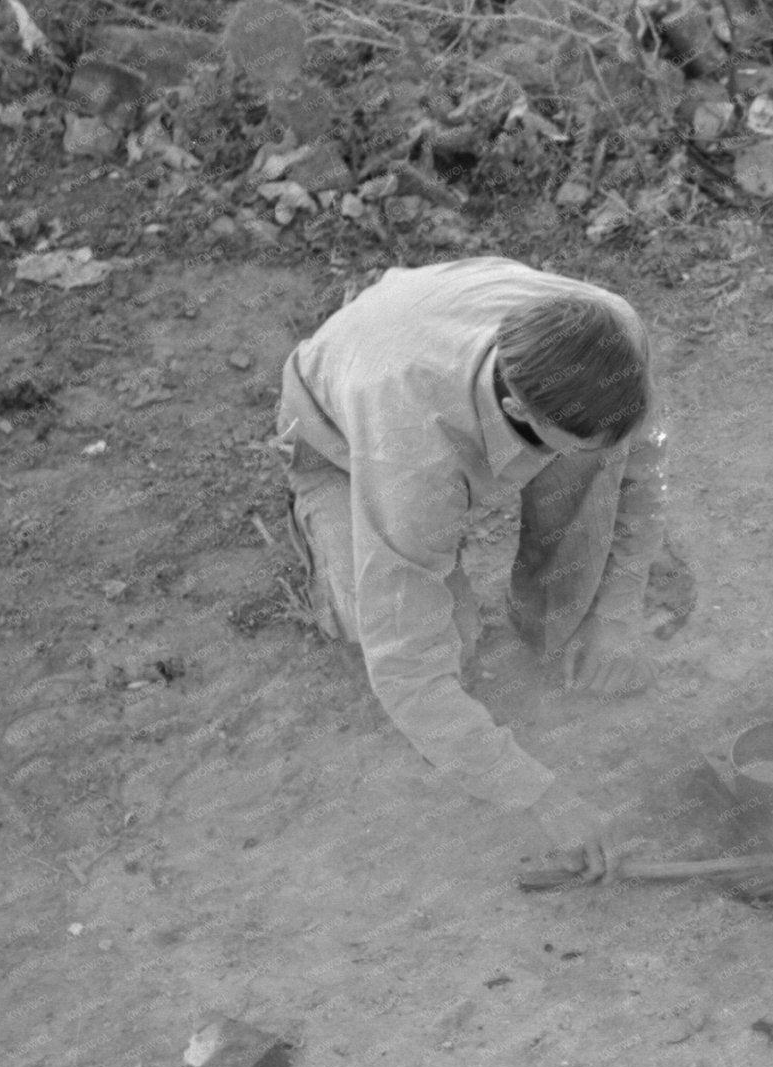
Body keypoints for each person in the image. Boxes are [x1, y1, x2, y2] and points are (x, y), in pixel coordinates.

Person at [273, 256, 667, 884]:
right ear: (516, 403)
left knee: (586, 520)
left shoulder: (611, 329)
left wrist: (614, 615)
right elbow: (407, 673)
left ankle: (550, 620)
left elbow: (639, 466)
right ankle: (326, 543)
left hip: (433, 353)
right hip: (341, 442)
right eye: (567, 440)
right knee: (433, 633)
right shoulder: (411, 453)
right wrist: (542, 797)